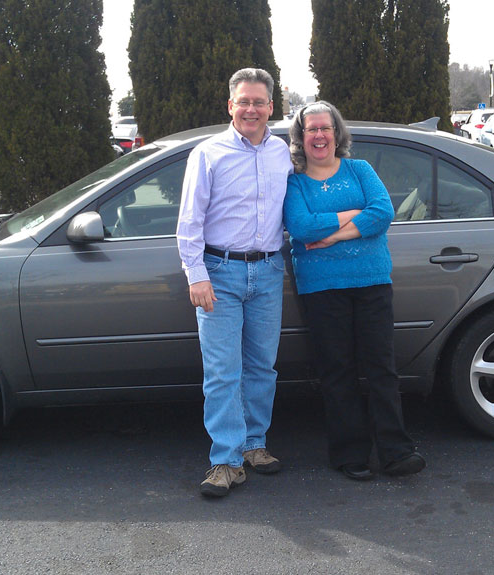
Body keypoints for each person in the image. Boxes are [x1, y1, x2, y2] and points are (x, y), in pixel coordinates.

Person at [282, 101, 425, 481]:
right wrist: (351, 216)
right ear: (300, 137)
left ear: (337, 133)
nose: (318, 135)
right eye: (310, 129)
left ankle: (396, 451)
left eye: (325, 128)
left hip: (371, 282)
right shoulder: (294, 182)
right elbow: (301, 226)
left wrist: (331, 237)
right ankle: (350, 454)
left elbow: (383, 212)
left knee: (381, 368)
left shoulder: (360, 170)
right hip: (322, 289)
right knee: (337, 371)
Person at [176, 68, 293, 498]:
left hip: (267, 271)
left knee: (263, 365)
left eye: (259, 102)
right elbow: (188, 220)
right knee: (223, 372)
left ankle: (254, 445)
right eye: (243, 101)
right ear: (231, 106)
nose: (251, 109)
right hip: (219, 274)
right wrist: (197, 275)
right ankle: (225, 460)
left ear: (270, 108)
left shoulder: (282, 152)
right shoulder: (208, 154)